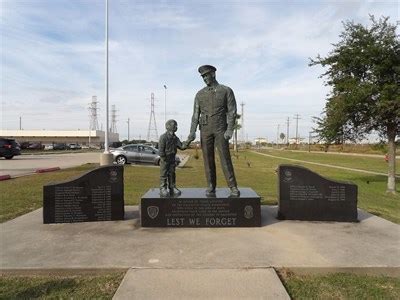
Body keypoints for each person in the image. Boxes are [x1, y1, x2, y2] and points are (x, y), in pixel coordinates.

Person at [187, 65, 240, 197]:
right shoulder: (199, 94)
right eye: (203, 76)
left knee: (225, 158)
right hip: (205, 129)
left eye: (206, 75)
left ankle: (233, 186)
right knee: (207, 159)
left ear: (213, 74)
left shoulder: (226, 90)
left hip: (220, 128)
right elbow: (195, 115)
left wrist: (229, 130)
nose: (205, 78)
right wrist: (192, 132)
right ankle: (211, 185)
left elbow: (232, 112)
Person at [159, 119, 187, 197]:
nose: (175, 127)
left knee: (172, 173)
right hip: (165, 159)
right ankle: (162, 188)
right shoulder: (163, 137)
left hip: (172, 158)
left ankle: (172, 187)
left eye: (176, 125)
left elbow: (182, 146)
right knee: (163, 174)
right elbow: (161, 149)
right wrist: (163, 158)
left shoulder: (175, 138)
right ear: (168, 126)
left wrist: (189, 140)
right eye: (174, 125)